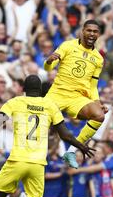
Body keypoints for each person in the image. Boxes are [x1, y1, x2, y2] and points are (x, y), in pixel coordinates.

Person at [44, 19, 107, 169]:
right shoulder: (68, 45)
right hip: (57, 94)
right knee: (38, 122)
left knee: (99, 115)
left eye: (95, 31)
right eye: (89, 30)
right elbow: (48, 68)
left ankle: (71, 151)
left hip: (77, 98)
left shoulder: (98, 58)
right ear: (82, 31)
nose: (92, 34)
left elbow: (93, 86)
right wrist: (49, 61)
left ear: (98, 34)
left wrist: (97, 102)